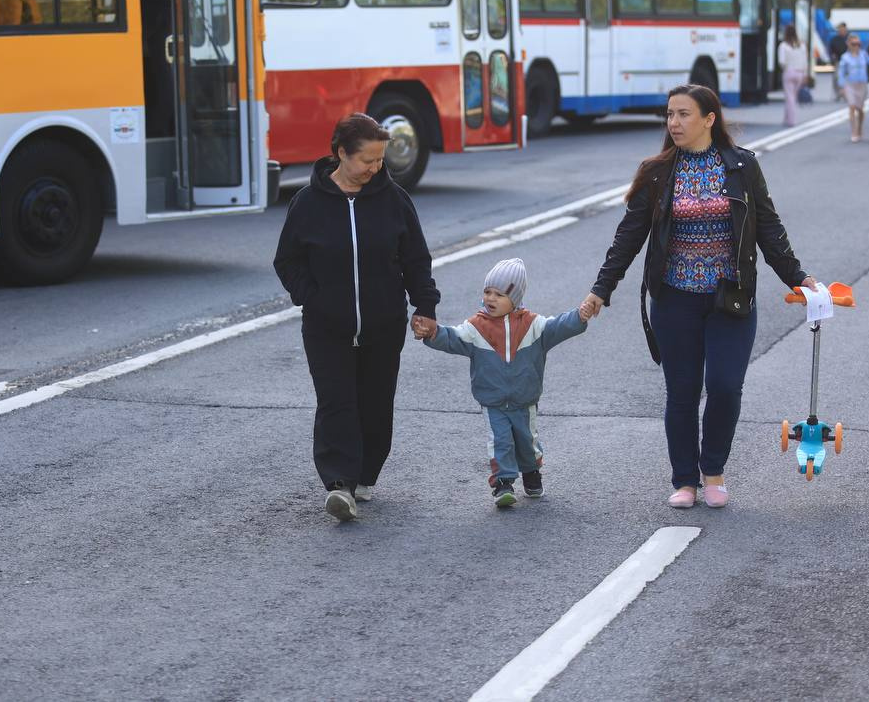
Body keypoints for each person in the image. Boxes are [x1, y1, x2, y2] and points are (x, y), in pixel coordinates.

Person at [580, 84, 816, 509]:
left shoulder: (743, 166)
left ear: (709, 119)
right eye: (670, 114)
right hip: (675, 299)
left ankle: (714, 471)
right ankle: (685, 480)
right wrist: (602, 288)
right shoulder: (657, 171)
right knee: (683, 392)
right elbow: (629, 237)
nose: (674, 123)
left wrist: (798, 278)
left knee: (725, 386)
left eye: (684, 114)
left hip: (730, 297)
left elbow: (768, 227)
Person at [273, 113, 440, 522]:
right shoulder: (308, 203)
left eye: (380, 159)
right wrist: (312, 298)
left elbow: (416, 259)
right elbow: (287, 261)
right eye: (367, 159)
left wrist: (425, 307)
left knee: (376, 404)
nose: (376, 167)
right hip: (326, 327)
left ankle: (365, 473)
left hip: (383, 326)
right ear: (340, 154)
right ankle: (339, 484)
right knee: (336, 402)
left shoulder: (394, 200)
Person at [423, 258, 589, 507]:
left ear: (516, 298)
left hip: (525, 399)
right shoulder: (475, 327)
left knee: (527, 441)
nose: (490, 298)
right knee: (499, 440)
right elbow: (452, 338)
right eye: (487, 291)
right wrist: (433, 333)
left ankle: (532, 473)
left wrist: (580, 315)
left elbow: (560, 326)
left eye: (499, 294)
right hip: (493, 401)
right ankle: (503, 483)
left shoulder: (534, 326)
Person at [837, 33, 869, 142]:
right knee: (852, 107)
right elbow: (841, 72)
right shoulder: (845, 57)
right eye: (853, 44)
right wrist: (841, 86)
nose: (856, 46)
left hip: (862, 84)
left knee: (860, 109)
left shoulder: (864, 54)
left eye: (858, 44)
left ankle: (860, 128)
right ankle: (854, 131)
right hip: (850, 84)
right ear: (848, 44)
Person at [778, 24, 807, 127]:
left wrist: (785, 68)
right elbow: (805, 61)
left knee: (789, 97)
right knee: (792, 97)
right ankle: (786, 118)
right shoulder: (802, 45)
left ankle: (791, 120)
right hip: (800, 73)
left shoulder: (783, 46)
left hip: (789, 72)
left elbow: (781, 61)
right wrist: (804, 74)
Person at [828, 22, 850, 101]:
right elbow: (830, 49)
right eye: (840, 29)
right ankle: (837, 94)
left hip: (849, 61)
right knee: (836, 78)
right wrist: (832, 56)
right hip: (838, 60)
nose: (841, 31)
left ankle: (846, 94)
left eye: (842, 29)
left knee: (848, 78)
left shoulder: (849, 38)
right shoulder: (835, 39)